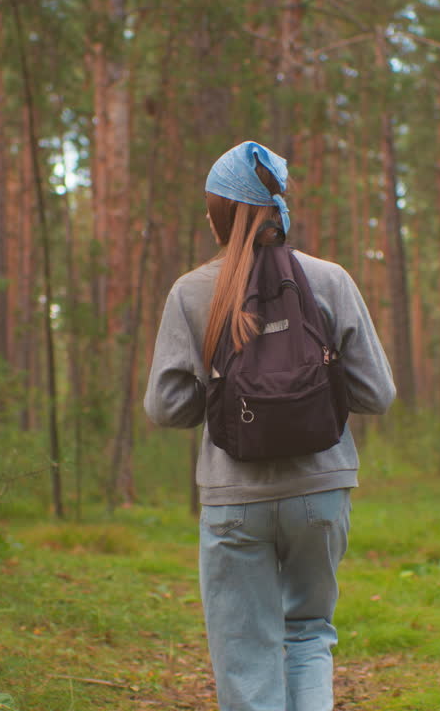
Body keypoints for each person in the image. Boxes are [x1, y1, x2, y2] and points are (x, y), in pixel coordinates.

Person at [143, 140, 395, 711]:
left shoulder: (192, 291)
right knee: (308, 635)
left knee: (245, 652)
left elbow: (167, 407)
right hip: (321, 489)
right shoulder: (329, 279)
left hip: (234, 498)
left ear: (218, 213)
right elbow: (376, 394)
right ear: (279, 206)